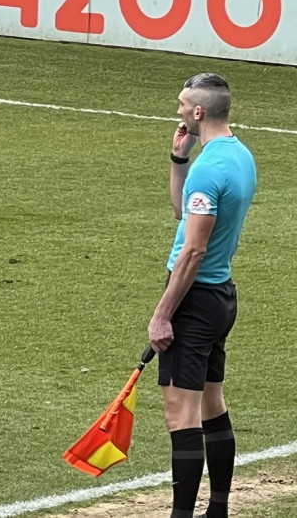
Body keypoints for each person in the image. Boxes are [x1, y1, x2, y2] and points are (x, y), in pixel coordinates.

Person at [150, 74, 256, 518]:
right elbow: (182, 214)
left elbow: (192, 250)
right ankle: (218, 509)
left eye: (181, 105)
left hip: (195, 300)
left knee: (181, 416)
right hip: (221, 297)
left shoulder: (210, 170)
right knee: (212, 404)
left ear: (198, 112)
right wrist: (179, 160)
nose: (177, 111)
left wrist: (163, 314)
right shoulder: (238, 156)